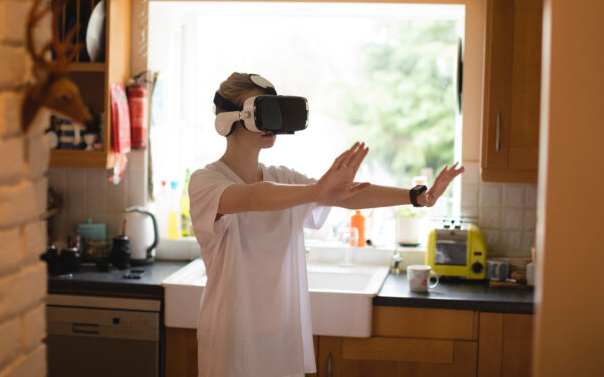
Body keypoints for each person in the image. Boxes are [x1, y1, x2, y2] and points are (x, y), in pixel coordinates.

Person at [188, 72, 464, 377]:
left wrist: (417, 197)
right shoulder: (206, 181)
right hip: (231, 337)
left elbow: (346, 196)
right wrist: (317, 192)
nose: (273, 122)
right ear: (229, 120)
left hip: (280, 333)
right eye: (261, 112)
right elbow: (253, 197)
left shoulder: (283, 178)